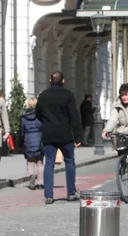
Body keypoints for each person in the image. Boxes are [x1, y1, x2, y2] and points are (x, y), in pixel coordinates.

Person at [36, 71, 83, 205]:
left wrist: (46, 122)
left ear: (50, 80)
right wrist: (78, 136)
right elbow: (74, 116)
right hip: (65, 134)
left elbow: (38, 114)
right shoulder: (68, 95)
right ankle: (70, 192)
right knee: (70, 162)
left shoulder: (43, 96)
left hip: (49, 134)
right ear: (63, 81)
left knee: (49, 164)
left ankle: (49, 196)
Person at [20, 97, 44, 191]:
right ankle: (40, 183)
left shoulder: (23, 118)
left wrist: (22, 142)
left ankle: (32, 175)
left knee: (30, 162)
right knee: (40, 163)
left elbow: (21, 132)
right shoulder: (40, 116)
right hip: (39, 142)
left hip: (28, 142)